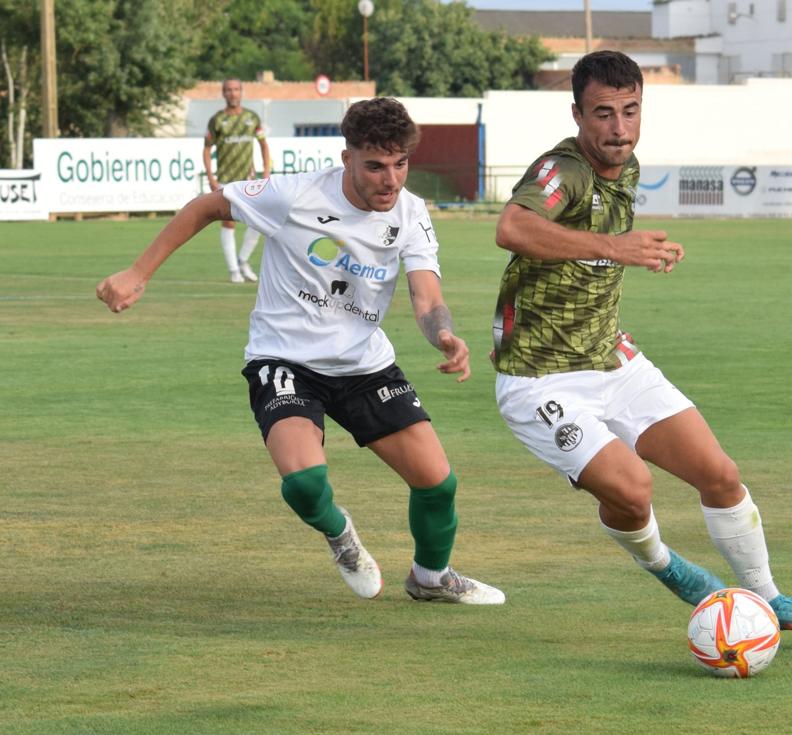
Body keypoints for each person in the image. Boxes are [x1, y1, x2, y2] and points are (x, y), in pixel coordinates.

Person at [491, 50, 792, 640]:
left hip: (611, 358)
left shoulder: (624, 169)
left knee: (721, 475)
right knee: (633, 490)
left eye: (630, 112)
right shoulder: (564, 169)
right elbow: (512, 228)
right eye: (603, 114)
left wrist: (637, 251)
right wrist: (617, 247)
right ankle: (667, 566)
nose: (619, 128)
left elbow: (601, 250)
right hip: (539, 378)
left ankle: (771, 600)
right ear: (577, 113)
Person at [98, 98, 504, 605]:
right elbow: (209, 205)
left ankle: (431, 577)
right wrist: (138, 273)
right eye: (375, 166)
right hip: (284, 360)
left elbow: (427, 298)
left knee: (438, 485)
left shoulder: (412, 212)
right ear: (347, 158)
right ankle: (342, 538)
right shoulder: (295, 193)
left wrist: (443, 335)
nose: (391, 180)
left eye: (401, 164)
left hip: (365, 365)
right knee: (307, 484)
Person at [203, 78, 272, 282]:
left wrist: (266, 172)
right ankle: (234, 270)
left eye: (236, 89)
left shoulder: (252, 118)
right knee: (229, 224)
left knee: (259, 222)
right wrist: (211, 177)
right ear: (223, 94)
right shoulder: (217, 120)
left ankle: (243, 260)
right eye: (228, 90)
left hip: (249, 181)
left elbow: (263, 145)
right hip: (225, 180)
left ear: (242, 92)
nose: (232, 93)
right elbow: (206, 149)